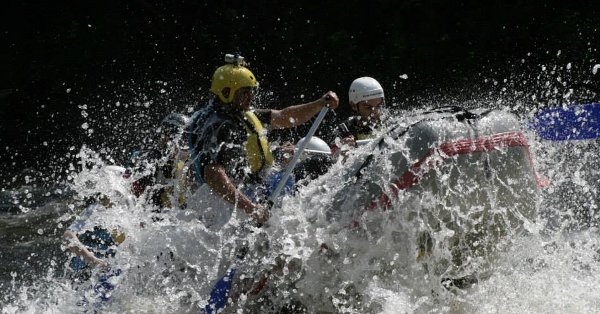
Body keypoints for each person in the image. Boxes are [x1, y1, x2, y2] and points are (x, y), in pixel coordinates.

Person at [188, 54, 339, 226]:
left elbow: (285, 116)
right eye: (245, 92)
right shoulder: (217, 126)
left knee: (318, 165)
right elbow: (213, 175)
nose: (251, 97)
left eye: (252, 91)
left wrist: (319, 104)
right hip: (229, 201)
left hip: (257, 185)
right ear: (226, 92)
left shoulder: (242, 114)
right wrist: (251, 208)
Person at [331, 77, 385, 156]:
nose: (375, 112)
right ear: (353, 105)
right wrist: (341, 147)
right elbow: (332, 155)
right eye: (368, 107)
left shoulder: (390, 123)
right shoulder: (344, 129)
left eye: (378, 106)